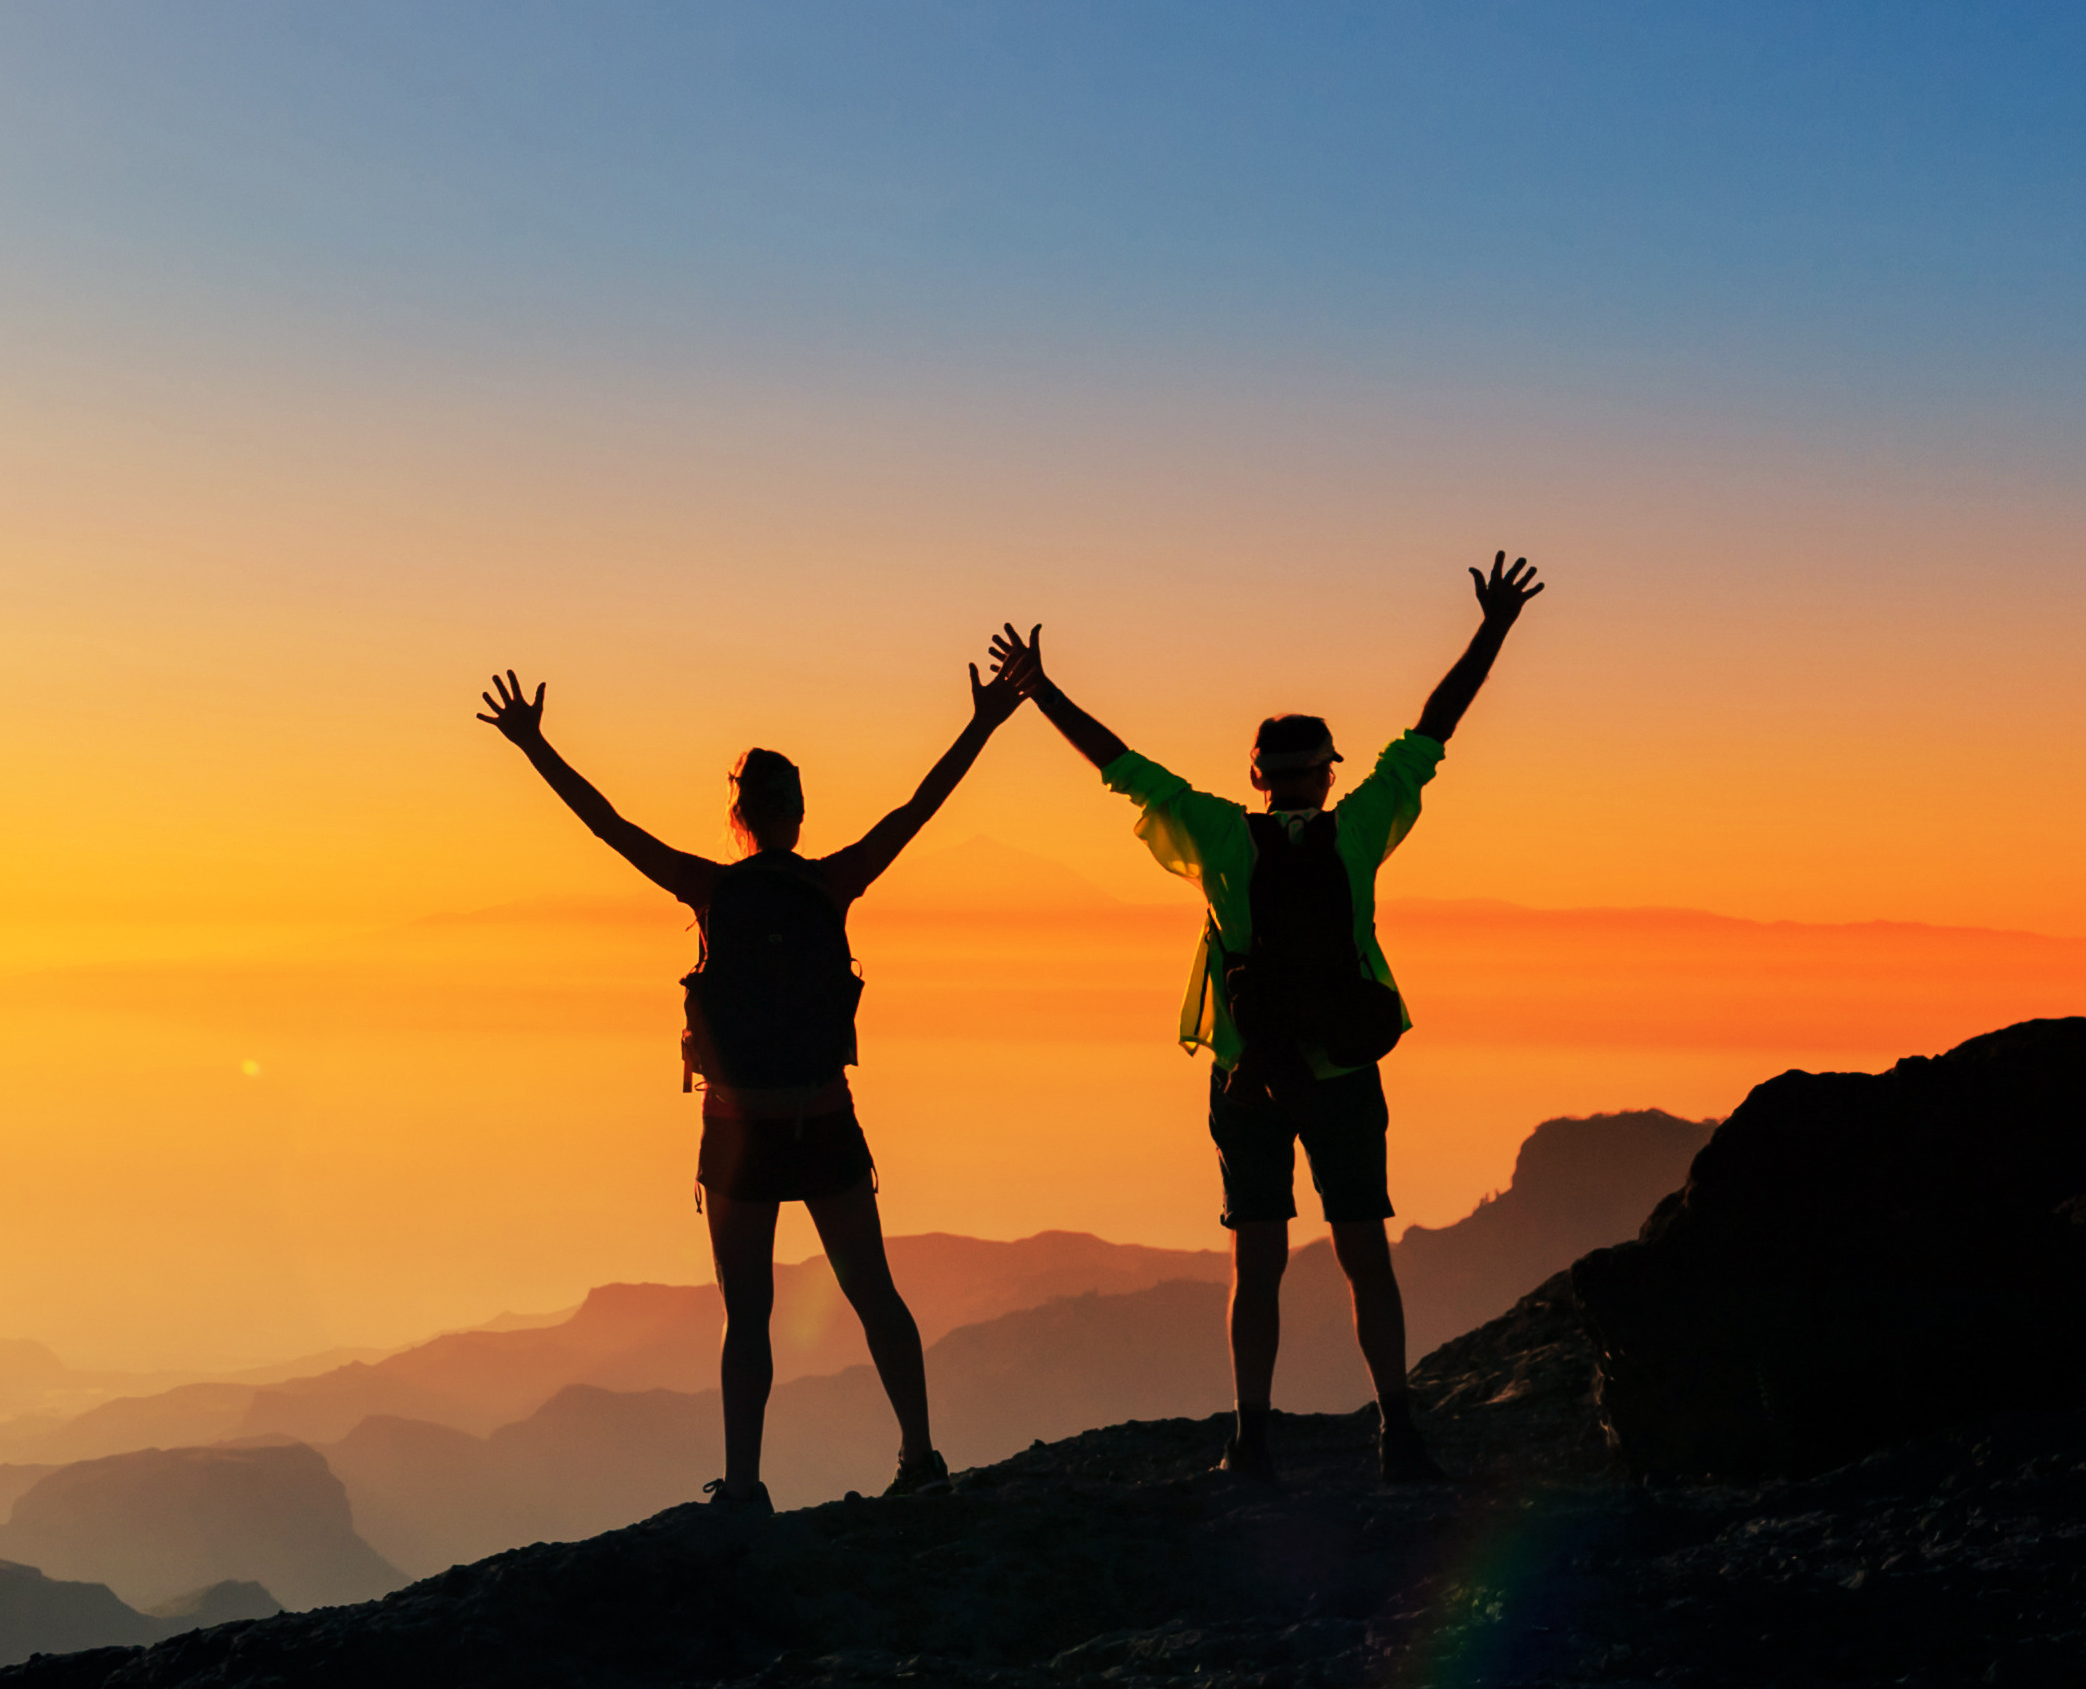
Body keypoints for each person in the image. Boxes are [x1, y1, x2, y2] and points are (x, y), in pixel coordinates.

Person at [1000, 555, 1543, 1484]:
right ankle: (1397, 1431)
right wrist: (1493, 627)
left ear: (1255, 775)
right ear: (1326, 775)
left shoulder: (1217, 836)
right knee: (1364, 1251)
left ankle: (1249, 1441)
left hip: (1248, 1072)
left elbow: (1119, 767)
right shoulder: (1361, 828)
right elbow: (1433, 731)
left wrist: (1040, 689)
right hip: (1344, 1068)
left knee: (1258, 1261)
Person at [475, 632, 1030, 1512]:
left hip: (738, 1132)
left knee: (749, 1318)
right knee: (873, 1293)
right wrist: (985, 724)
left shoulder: (711, 892)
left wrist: (535, 746)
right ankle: (919, 1456)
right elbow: (919, 807)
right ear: (797, 815)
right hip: (823, 1120)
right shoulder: (832, 884)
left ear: (740, 816)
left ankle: (742, 1487)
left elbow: (608, 826)